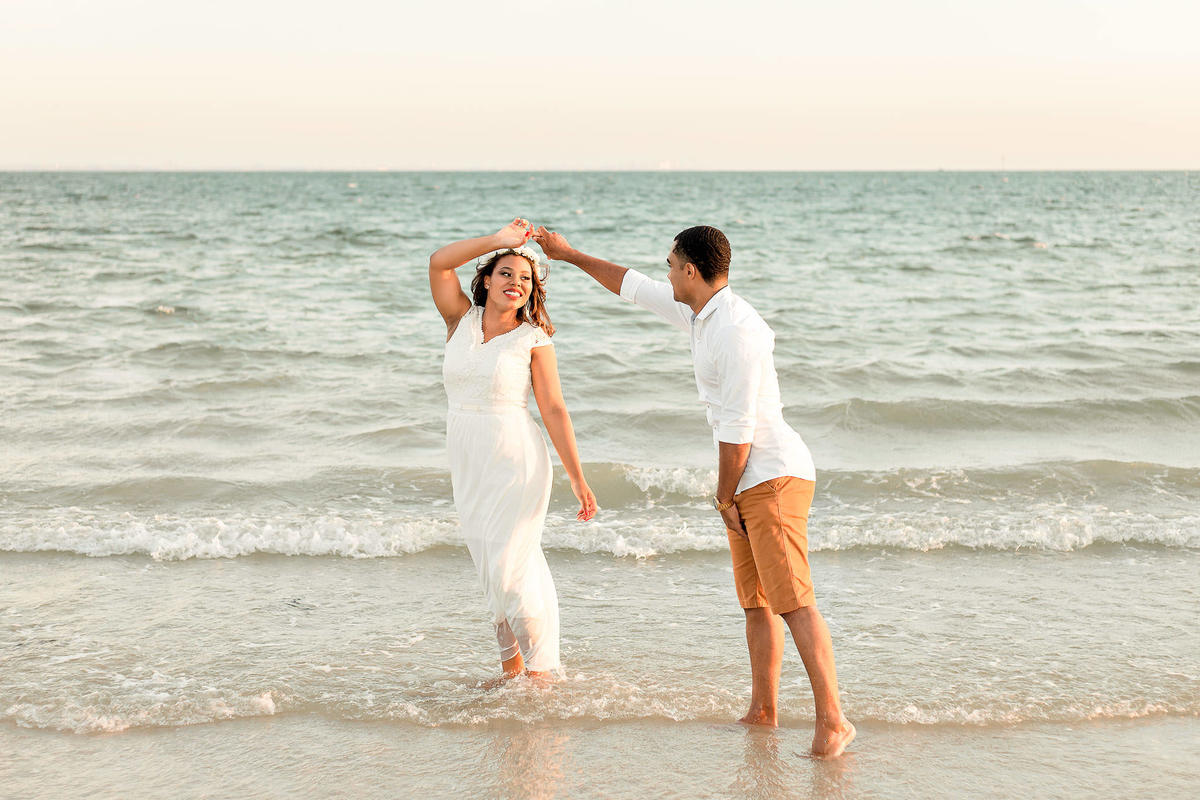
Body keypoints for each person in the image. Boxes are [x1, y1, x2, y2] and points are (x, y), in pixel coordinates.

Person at [532, 224, 855, 757]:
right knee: (757, 604)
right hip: (748, 478)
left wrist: (724, 498)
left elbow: (738, 431)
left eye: (670, 264)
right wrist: (566, 255)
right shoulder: (699, 311)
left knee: (795, 602)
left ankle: (834, 721)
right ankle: (763, 711)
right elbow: (631, 285)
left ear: (690, 270)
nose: (664, 273)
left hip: (771, 477)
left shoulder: (736, 330)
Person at [429, 218, 598, 682]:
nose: (516, 283)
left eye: (525, 278)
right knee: (489, 566)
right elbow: (438, 263)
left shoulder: (533, 340)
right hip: (468, 459)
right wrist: (500, 241)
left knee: (510, 568)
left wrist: (578, 478)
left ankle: (541, 674)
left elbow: (554, 409)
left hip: (516, 459)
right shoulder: (459, 321)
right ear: (486, 280)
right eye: (505, 273)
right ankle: (512, 672)